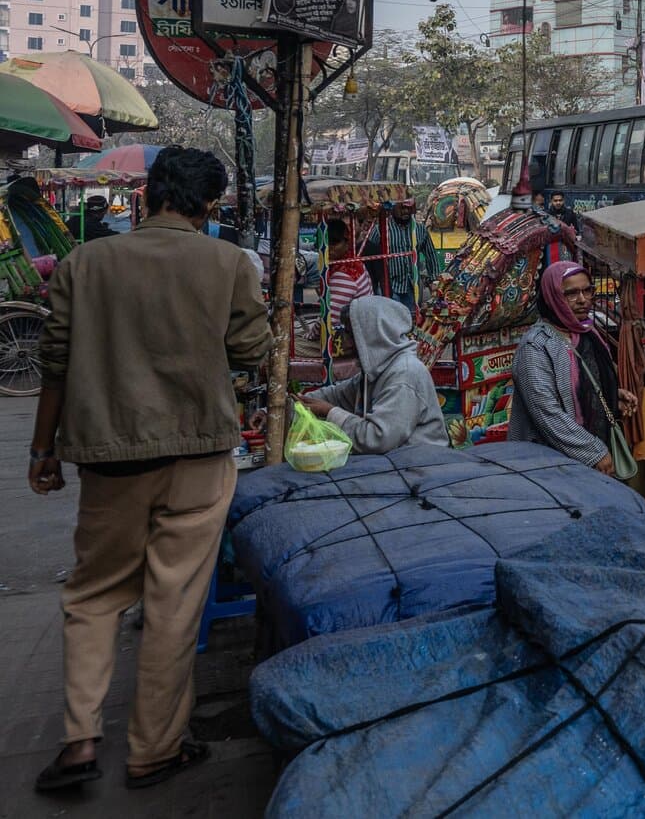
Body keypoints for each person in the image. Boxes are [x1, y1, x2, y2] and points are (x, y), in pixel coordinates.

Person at [27, 147, 271, 794]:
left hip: (108, 458)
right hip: (198, 456)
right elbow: (252, 352)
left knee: (93, 593)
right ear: (211, 205)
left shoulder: (85, 263)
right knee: (173, 604)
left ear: (146, 196)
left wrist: (40, 450)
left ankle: (79, 741)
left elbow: (55, 361)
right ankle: (153, 749)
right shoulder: (226, 263)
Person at [508, 261, 638, 473]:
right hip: (549, 465)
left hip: (590, 455)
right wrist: (593, 451)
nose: (583, 300)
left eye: (588, 291)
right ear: (553, 297)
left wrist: (611, 396)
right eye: (571, 293)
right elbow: (546, 413)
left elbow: (583, 384)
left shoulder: (585, 332)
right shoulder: (536, 346)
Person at [297, 296, 450, 455]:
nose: (347, 343)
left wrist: (329, 412)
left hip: (421, 466)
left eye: (351, 334)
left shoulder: (404, 374)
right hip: (397, 463)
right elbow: (337, 394)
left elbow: (377, 438)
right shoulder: (379, 369)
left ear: (372, 335)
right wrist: (296, 402)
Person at [363, 204, 439, 312]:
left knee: (411, 321)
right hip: (389, 288)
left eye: (408, 208)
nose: (406, 211)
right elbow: (369, 257)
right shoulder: (380, 229)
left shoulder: (419, 229)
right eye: (402, 208)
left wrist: (434, 280)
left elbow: (431, 255)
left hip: (412, 287)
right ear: (393, 207)